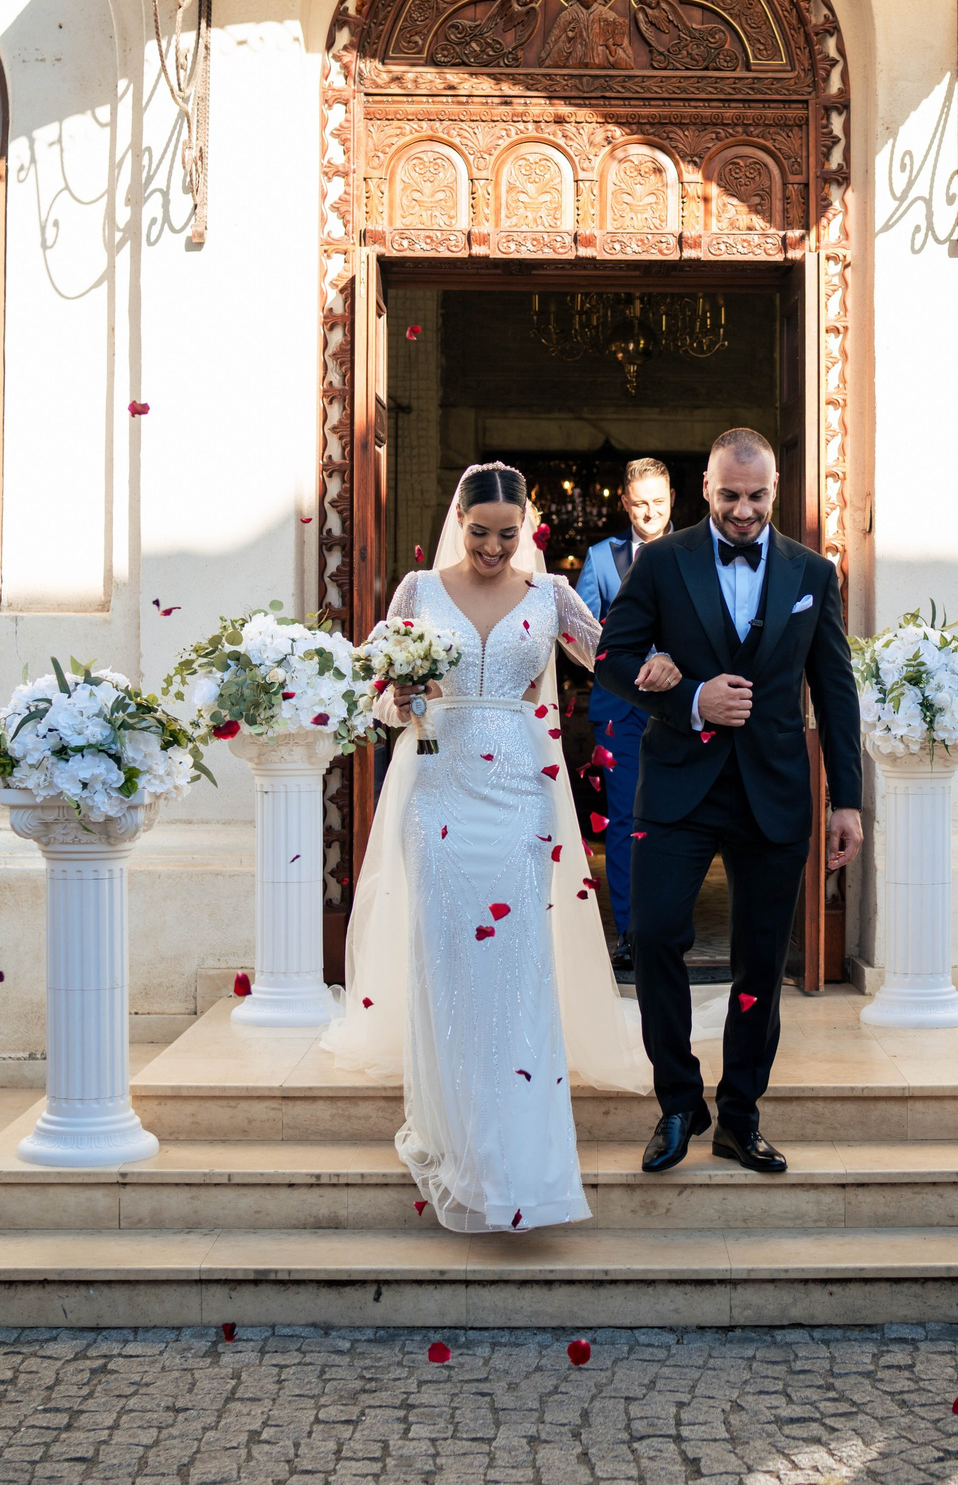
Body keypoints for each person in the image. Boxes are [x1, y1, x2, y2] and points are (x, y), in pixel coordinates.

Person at [324, 463, 682, 1233]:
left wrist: (662, 665)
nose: (492, 547)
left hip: (522, 794)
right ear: (460, 519)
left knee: (517, 967)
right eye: (480, 531)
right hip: (438, 787)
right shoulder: (417, 592)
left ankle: (521, 1157)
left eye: (507, 534)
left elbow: (611, 660)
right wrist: (402, 696)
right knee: (448, 959)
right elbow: (378, 695)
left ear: (528, 529)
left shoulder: (552, 597)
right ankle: (459, 1144)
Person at [593, 428, 864, 1177]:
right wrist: (689, 698)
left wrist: (848, 800)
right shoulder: (663, 560)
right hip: (679, 785)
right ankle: (678, 1102)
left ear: (776, 490)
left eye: (757, 496)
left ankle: (740, 1116)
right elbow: (611, 658)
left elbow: (835, 689)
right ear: (705, 487)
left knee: (759, 963)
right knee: (652, 935)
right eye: (729, 495)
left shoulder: (814, 571)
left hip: (775, 793)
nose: (743, 511)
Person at [577, 459, 676, 980]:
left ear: (674, 498)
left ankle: (668, 932)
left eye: (659, 501)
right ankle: (631, 935)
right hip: (621, 710)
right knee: (623, 823)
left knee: (679, 822)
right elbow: (586, 638)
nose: (650, 512)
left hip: (685, 707)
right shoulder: (600, 558)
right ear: (624, 501)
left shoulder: (699, 551)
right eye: (640, 502)